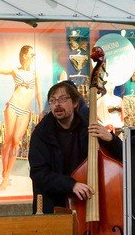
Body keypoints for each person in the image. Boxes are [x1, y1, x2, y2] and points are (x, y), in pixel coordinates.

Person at [29, 81, 122, 214]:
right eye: (52, 101)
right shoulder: (41, 133)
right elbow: (39, 173)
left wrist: (111, 139)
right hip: (53, 208)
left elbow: (123, 158)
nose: (57, 104)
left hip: (87, 205)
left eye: (62, 99)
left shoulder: (89, 128)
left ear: (75, 103)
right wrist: (71, 185)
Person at [0, 45, 42, 191]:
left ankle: (7, 175)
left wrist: (41, 109)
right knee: (7, 140)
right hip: (12, 106)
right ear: (24, 55)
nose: (33, 57)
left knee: (16, 141)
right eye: (31, 54)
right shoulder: (15, 70)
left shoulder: (35, 73)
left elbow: (38, 92)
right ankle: (4, 171)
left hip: (25, 110)